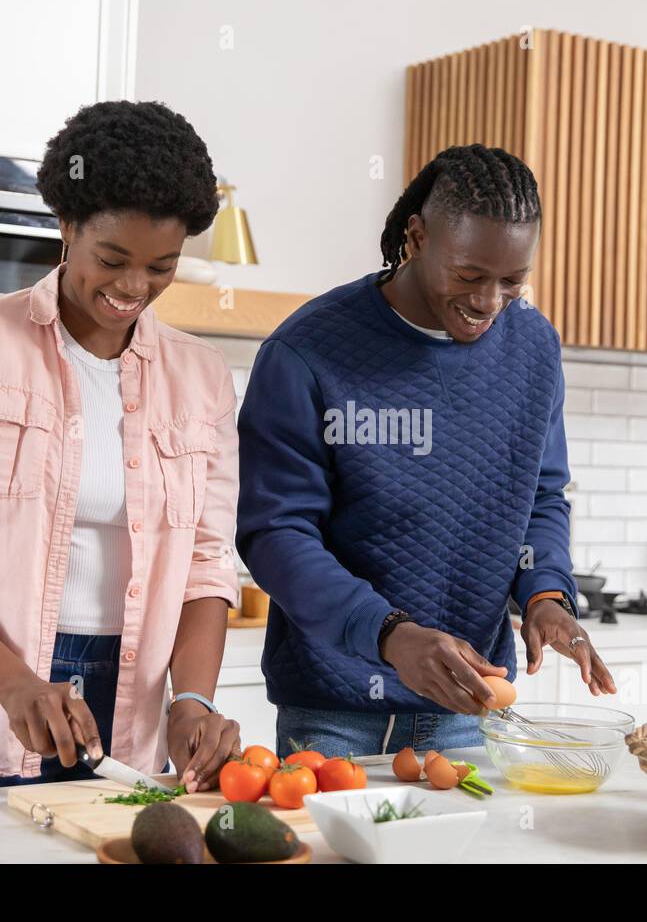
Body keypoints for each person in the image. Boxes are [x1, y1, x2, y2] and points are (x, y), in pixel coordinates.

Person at [0, 101, 242, 794]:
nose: (134, 287)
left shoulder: (202, 379)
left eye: (162, 266)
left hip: (132, 710)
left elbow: (206, 566)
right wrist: (13, 683)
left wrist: (194, 700)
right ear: (66, 226)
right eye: (112, 259)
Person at [236, 144, 616, 758]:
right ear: (416, 237)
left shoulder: (534, 348)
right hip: (334, 718)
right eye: (469, 276)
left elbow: (541, 495)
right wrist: (391, 636)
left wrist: (545, 593)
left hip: (470, 714)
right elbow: (275, 533)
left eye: (512, 281)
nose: (490, 301)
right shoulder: (307, 351)